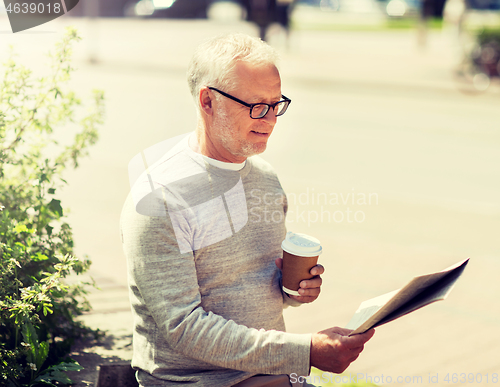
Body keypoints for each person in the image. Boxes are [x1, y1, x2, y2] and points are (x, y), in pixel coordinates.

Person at [120, 33, 374, 387]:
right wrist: (307, 351)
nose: (270, 120)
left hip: (270, 376)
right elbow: (183, 328)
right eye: (255, 105)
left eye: (276, 104)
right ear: (207, 101)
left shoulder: (266, 180)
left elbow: (249, 290)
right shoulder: (160, 198)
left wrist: (292, 291)